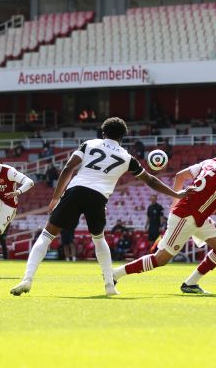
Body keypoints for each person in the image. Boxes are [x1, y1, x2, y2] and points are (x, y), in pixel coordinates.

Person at [10, 117, 186, 297]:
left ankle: (27, 279)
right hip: (98, 197)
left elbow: (68, 168)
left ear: (103, 133)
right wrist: (176, 194)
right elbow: (150, 180)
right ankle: (110, 286)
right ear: (123, 137)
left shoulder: (89, 144)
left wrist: (56, 197)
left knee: (47, 235)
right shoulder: (127, 157)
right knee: (98, 239)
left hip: (75, 191)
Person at [113, 134, 216, 294]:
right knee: (160, 259)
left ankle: (190, 283)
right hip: (187, 215)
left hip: (197, 216)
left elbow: (180, 176)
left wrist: (175, 203)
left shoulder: (209, 162)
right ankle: (115, 274)